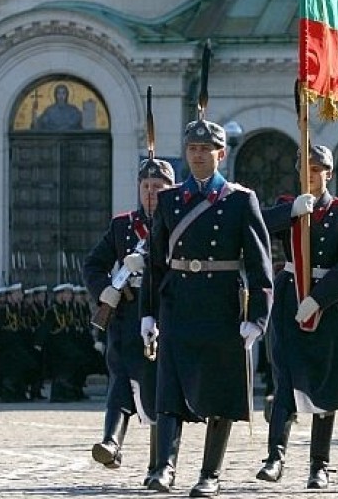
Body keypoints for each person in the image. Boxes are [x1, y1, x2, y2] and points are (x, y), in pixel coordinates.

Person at [140, 117, 273, 496]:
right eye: (192, 149)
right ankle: (164, 468)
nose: (197, 156)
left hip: (222, 307)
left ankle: (209, 474)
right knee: (170, 389)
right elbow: (154, 263)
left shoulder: (239, 199)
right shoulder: (169, 199)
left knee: (220, 393)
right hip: (178, 303)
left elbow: (260, 264)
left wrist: (257, 318)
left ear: (221, 153)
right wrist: (147, 313)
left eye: (205, 150)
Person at [255, 144, 338, 489]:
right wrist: (289, 214)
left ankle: (319, 464)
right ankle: (275, 457)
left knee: (326, 385)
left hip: (327, 303)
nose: (311, 175)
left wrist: (318, 299)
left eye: (317, 169)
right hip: (289, 298)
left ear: (328, 173)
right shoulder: (289, 205)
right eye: (305, 168)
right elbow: (256, 228)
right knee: (284, 380)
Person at [83, 158, 175, 476]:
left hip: (163, 313)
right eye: (146, 187)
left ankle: (160, 461)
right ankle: (111, 442)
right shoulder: (123, 225)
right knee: (120, 376)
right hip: (126, 313)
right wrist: (104, 290)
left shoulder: (178, 223)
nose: (150, 193)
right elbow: (93, 264)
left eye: (158, 187)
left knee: (157, 386)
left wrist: (151, 263)